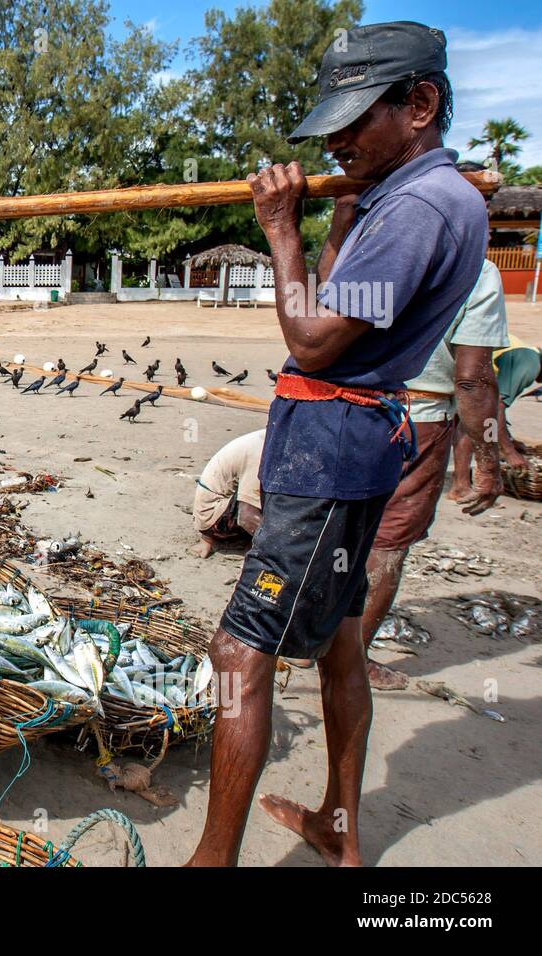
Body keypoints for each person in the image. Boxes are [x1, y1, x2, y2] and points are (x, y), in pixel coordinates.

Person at [186, 21, 488, 867]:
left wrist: (278, 226)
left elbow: (314, 338)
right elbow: (338, 297)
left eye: (356, 121)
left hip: (330, 449)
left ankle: (210, 865)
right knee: (343, 640)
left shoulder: (422, 205)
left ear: (420, 104)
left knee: (240, 653)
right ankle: (340, 833)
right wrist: (338, 215)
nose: (339, 141)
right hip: (355, 442)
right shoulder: (417, 197)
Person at [359, 196, 508, 691]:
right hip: (416, 421)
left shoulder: (372, 251)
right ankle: (350, 661)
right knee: (387, 544)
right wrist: (490, 460)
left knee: (340, 533)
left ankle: (306, 639)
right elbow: (472, 380)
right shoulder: (477, 272)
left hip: (350, 410)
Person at [448, 333, 541, 494]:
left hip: (458, 359)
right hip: (463, 363)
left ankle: (460, 483)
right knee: (472, 422)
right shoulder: (530, 364)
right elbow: (496, 409)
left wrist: (509, 440)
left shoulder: (524, 352)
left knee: (466, 421)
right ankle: (461, 486)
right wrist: (510, 452)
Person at [191, 429, 265, 559]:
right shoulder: (261, 451)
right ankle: (256, 543)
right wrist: (276, 543)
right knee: (266, 494)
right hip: (215, 520)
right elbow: (246, 515)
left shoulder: (262, 439)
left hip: (212, 515)